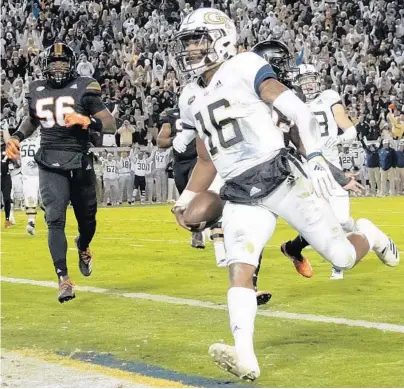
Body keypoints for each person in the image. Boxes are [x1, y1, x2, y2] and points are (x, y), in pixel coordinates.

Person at [170, 9, 399, 380]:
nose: (192, 49)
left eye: (198, 40)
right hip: (239, 190)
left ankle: (370, 235)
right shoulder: (189, 96)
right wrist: (184, 201)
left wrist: (316, 156)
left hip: (280, 175)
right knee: (240, 266)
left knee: (340, 255)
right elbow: (204, 158)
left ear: (222, 38)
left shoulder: (245, 64)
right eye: (188, 43)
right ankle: (245, 355)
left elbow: (294, 107)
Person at [5, 42, 116, 303]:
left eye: (63, 63)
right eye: (54, 63)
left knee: (88, 220)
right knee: (54, 219)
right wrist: (19, 137)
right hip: (49, 158)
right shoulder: (36, 89)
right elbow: (33, 118)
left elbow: (111, 124)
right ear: (46, 65)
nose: (58, 68)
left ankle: (83, 244)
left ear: (72, 64)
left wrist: (88, 121)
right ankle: (63, 278)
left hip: (79, 159)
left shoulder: (84, 87)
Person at [157, 107, 204, 248]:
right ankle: (200, 228)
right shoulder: (171, 115)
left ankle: (200, 233)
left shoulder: (199, 110)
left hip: (198, 159)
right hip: (179, 162)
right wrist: (176, 139)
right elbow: (160, 141)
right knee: (185, 199)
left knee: (193, 196)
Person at [20, 130, 41, 235]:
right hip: (28, 175)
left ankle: (50, 217)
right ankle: (31, 222)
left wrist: (37, 162)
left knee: (46, 200)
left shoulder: (40, 140)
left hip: (41, 173)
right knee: (30, 199)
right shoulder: (21, 141)